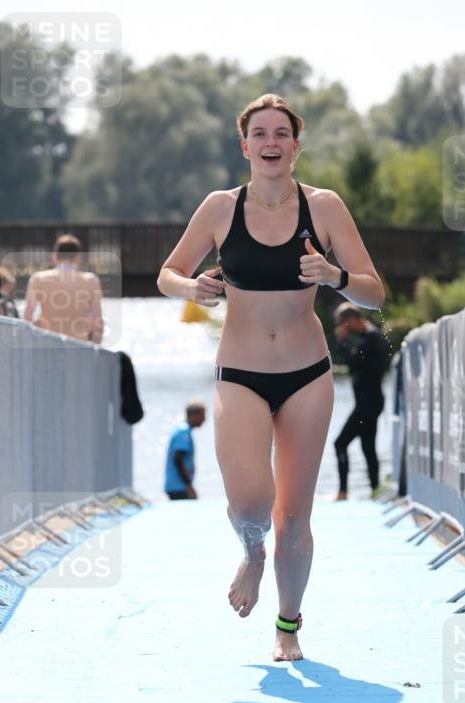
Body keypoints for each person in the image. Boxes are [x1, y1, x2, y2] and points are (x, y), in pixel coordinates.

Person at [157, 93, 384, 661]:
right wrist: (193, 288)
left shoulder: (325, 207)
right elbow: (168, 274)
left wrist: (334, 274)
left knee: (293, 515)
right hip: (240, 374)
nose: (271, 143)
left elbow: (375, 294)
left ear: (296, 145)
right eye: (260, 134)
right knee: (252, 507)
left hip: (308, 375)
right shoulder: (219, 208)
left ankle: (288, 625)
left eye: (281, 133)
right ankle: (251, 553)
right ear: (245, 146)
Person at [333, 302, 389, 500]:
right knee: (368, 447)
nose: (343, 329)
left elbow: (353, 363)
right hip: (369, 402)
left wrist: (342, 342)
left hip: (368, 403)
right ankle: (375, 489)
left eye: (345, 324)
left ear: (355, 319)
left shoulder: (372, 337)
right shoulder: (369, 336)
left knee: (340, 443)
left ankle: (342, 492)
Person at [23, 234, 104, 343]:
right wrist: (95, 349)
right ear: (78, 258)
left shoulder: (38, 279)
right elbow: (98, 322)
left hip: (47, 345)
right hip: (79, 347)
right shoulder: (91, 280)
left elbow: (27, 317)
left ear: (55, 257)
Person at [164, 402, 206, 500]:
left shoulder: (182, 429)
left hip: (177, 486)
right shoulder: (183, 432)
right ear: (194, 415)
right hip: (178, 487)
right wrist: (188, 486)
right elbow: (177, 458)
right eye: (202, 415)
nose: (204, 420)